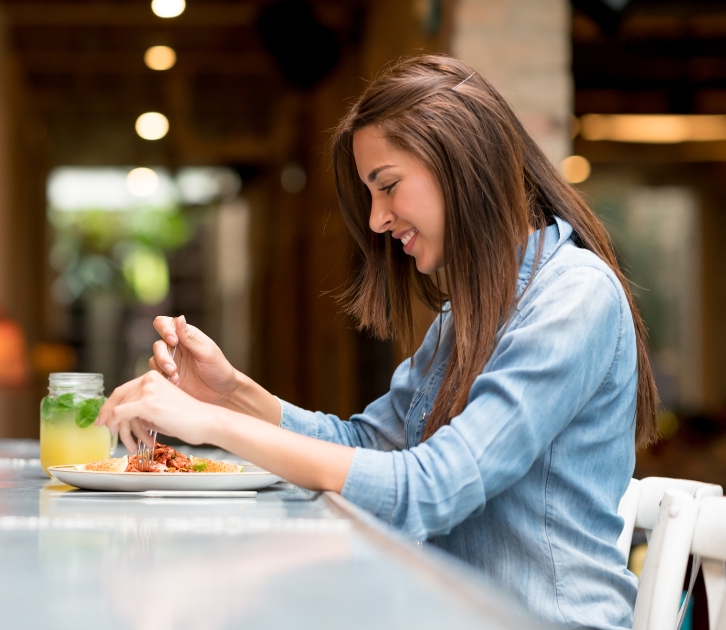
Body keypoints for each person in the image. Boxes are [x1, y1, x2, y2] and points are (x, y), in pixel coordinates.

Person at [95, 54, 658, 630]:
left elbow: (430, 488)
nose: (376, 220)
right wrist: (228, 393)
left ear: (460, 159)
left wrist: (210, 426)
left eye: (387, 186)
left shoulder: (572, 297)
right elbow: (369, 443)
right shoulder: (471, 311)